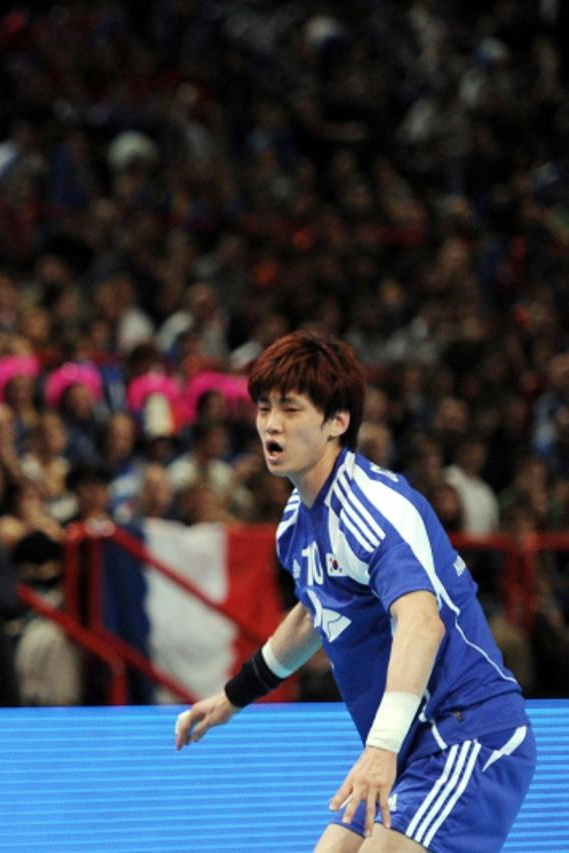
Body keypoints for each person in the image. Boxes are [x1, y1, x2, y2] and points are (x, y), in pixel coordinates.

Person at [174, 331, 534, 852]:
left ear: (337, 421)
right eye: (264, 407)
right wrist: (233, 698)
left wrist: (381, 750)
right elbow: (314, 615)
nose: (271, 424)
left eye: (291, 409)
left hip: (467, 734)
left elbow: (422, 623)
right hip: (410, 746)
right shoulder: (297, 521)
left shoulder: (371, 507)